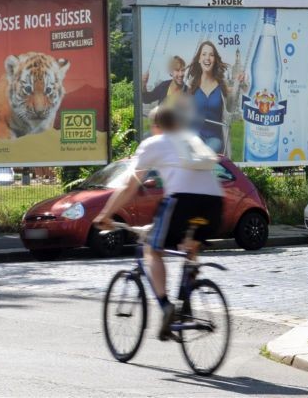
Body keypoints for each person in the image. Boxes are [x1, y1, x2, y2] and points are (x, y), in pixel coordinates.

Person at [93, 105, 223, 340]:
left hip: (183, 201)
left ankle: (166, 307)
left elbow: (129, 186)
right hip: (215, 203)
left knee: (151, 249)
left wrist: (106, 214)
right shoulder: (191, 139)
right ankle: (187, 300)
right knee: (189, 245)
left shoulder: (154, 143)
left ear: (155, 127)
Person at [186, 41, 245, 155]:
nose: (207, 58)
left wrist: (238, 83)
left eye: (211, 55)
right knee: (194, 147)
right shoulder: (191, 85)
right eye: (204, 54)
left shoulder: (222, 86)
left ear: (215, 60)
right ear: (199, 59)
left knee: (207, 153)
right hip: (194, 135)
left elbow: (231, 106)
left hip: (214, 138)